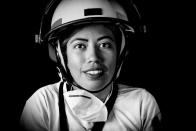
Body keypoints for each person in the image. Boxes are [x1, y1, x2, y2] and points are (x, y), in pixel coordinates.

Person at [20, 0, 162, 131]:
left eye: (105, 44)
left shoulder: (142, 104)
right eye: (80, 45)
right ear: (59, 54)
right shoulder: (43, 103)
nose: (93, 57)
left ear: (121, 51)